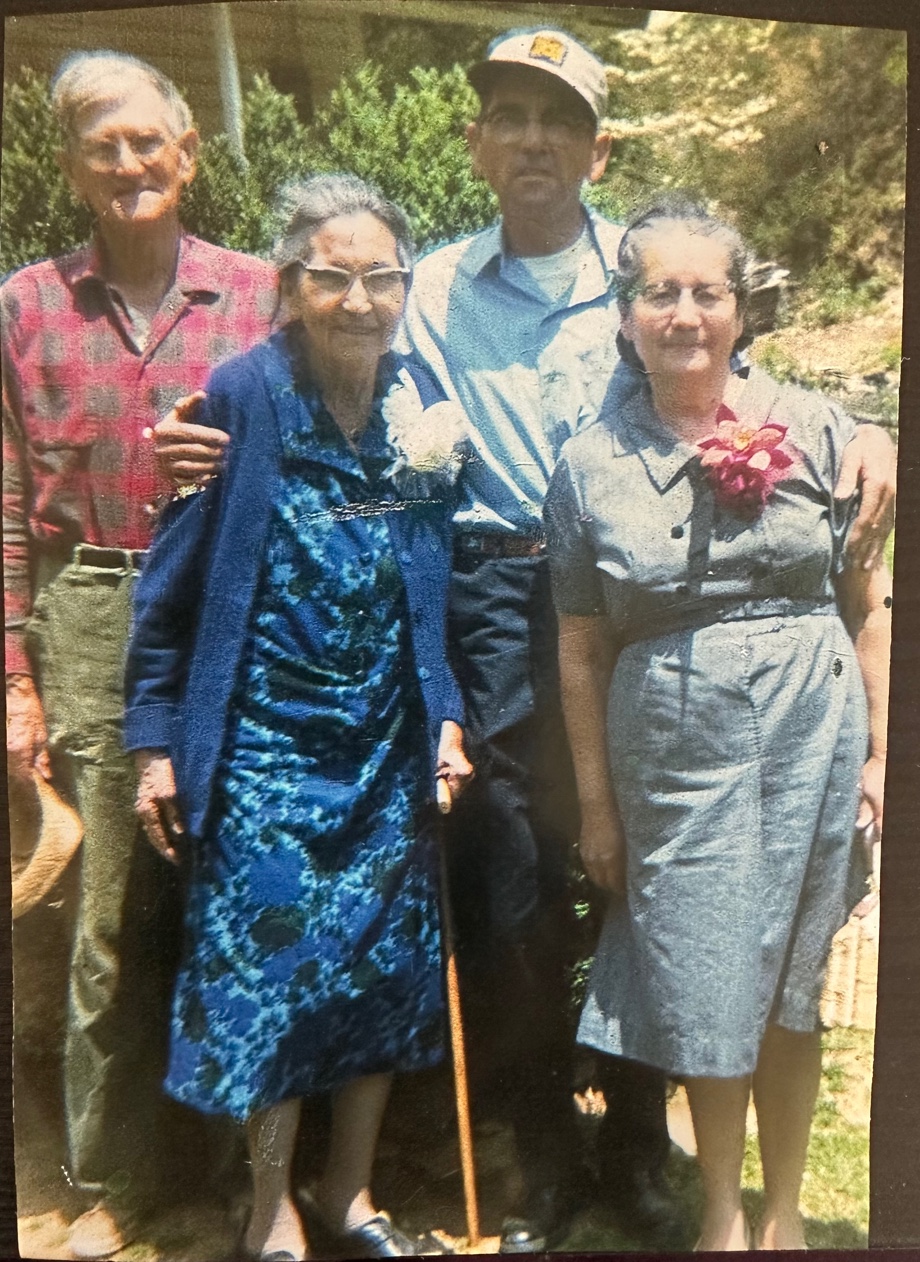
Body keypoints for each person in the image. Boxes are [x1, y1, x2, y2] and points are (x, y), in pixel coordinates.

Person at [152, 26, 896, 1253]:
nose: (535, 139)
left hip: (644, 597)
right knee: (515, 876)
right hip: (497, 593)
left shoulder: (649, 268)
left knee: (652, 865)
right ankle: (540, 1152)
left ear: (597, 149)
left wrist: (867, 431)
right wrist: (204, 424)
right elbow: (311, 343)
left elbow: (735, 374)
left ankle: (637, 1146)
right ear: (477, 143)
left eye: (561, 119)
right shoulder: (431, 285)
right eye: (511, 115)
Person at [124, 174, 474, 1262]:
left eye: (381, 277)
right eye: (332, 277)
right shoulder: (241, 394)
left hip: (383, 740)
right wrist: (154, 742)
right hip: (266, 743)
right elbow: (170, 582)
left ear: (405, 288)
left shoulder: (419, 398)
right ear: (289, 287)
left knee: (378, 967)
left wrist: (445, 716)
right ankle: (268, 1203)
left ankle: (347, 1189)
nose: (359, 300)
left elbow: (431, 572)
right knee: (268, 975)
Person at [544, 202, 891, 1251]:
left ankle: (783, 1217)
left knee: (790, 983)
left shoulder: (824, 429)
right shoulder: (588, 464)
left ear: (741, 312)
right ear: (625, 316)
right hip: (671, 748)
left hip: (812, 732)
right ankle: (721, 1218)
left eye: (708, 293)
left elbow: (867, 602)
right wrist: (596, 809)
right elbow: (578, 649)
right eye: (660, 292)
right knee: (704, 977)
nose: (684, 315)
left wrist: (883, 753)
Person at [1, 51, 278, 1259]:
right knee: (110, 910)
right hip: (92, 603)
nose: (127, 164)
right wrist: (14, 676)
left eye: (145, 141)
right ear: (70, 167)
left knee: (228, 887)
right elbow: (6, 504)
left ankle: (232, 1175)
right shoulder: (23, 306)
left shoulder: (260, 293)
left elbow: (319, 450)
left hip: (234, 602)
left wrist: (234, 465)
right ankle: (111, 1178)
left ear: (188, 154)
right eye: (100, 146)